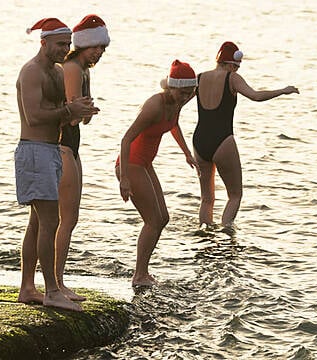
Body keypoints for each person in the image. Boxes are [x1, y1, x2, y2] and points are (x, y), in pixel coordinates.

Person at [15, 18, 99, 311]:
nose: (66, 49)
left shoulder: (57, 72)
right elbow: (34, 115)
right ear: (44, 43)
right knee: (50, 221)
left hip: (50, 150)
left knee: (38, 222)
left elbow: (59, 113)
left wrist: (78, 112)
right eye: (61, 44)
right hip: (34, 150)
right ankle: (52, 290)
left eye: (68, 44)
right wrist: (68, 109)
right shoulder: (31, 72)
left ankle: (28, 287)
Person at [192, 41, 299, 230]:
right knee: (234, 195)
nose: (237, 69)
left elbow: (178, 101)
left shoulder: (199, 78)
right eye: (237, 66)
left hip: (199, 141)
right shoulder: (232, 78)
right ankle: (227, 234)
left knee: (206, 199)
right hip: (222, 140)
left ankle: (204, 234)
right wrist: (283, 91)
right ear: (232, 64)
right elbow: (255, 96)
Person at [117, 60, 199, 286]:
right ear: (170, 87)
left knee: (163, 218)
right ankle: (139, 275)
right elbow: (126, 139)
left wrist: (187, 153)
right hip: (131, 163)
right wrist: (124, 178)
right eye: (181, 92)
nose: (184, 97)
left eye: (188, 93)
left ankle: (143, 272)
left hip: (145, 164)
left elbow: (173, 125)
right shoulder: (155, 105)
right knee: (152, 220)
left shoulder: (179, 101)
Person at [57, 14, 110, 301]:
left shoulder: (84, 70)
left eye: (103, 49)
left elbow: (81, 116)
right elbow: (70, 114)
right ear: (82, 46)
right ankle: (57, 282)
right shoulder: (72, 68)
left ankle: (56, 281)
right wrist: (83, 110)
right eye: (95, 48)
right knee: (65, 218)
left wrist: (86, 110)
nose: (99, 53)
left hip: (73, 146)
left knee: (69, 217)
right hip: (62, 144)